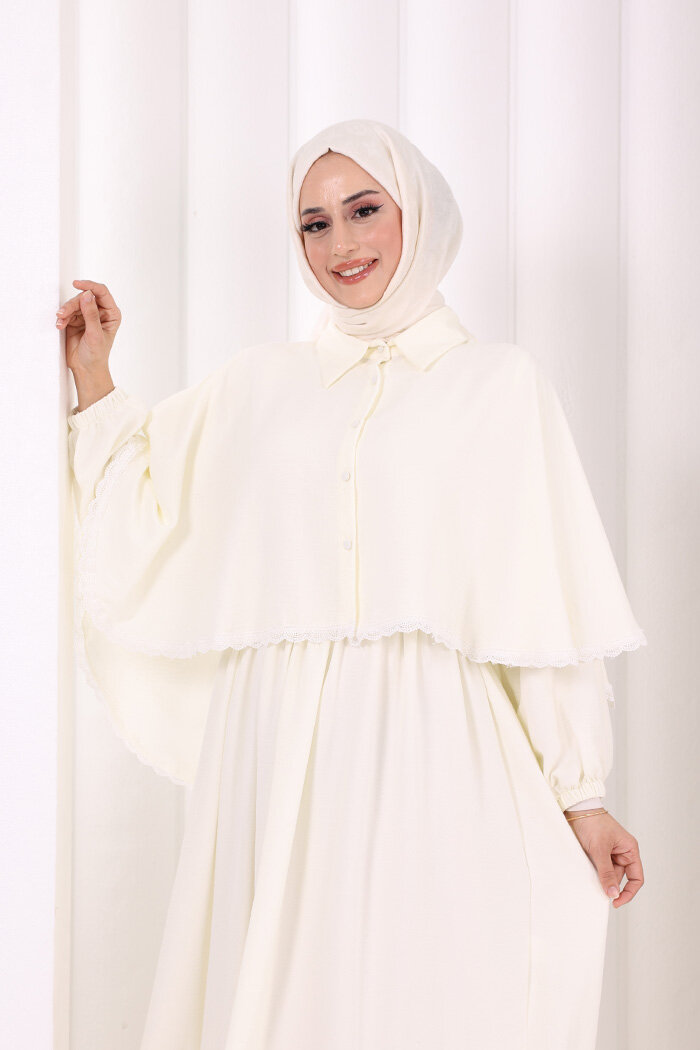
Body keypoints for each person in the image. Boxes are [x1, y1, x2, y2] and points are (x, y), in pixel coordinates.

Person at [60, 118, 646, 1049]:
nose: (341, 243)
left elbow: (542, 608)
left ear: (417, 212)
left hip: (437, 753)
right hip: (281, 752)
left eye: (365, 210)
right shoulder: (258, 385)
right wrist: (94, 378)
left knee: (434, 989)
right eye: (315, 223)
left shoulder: (499, 384)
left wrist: (583, 794)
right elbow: (145, 503)